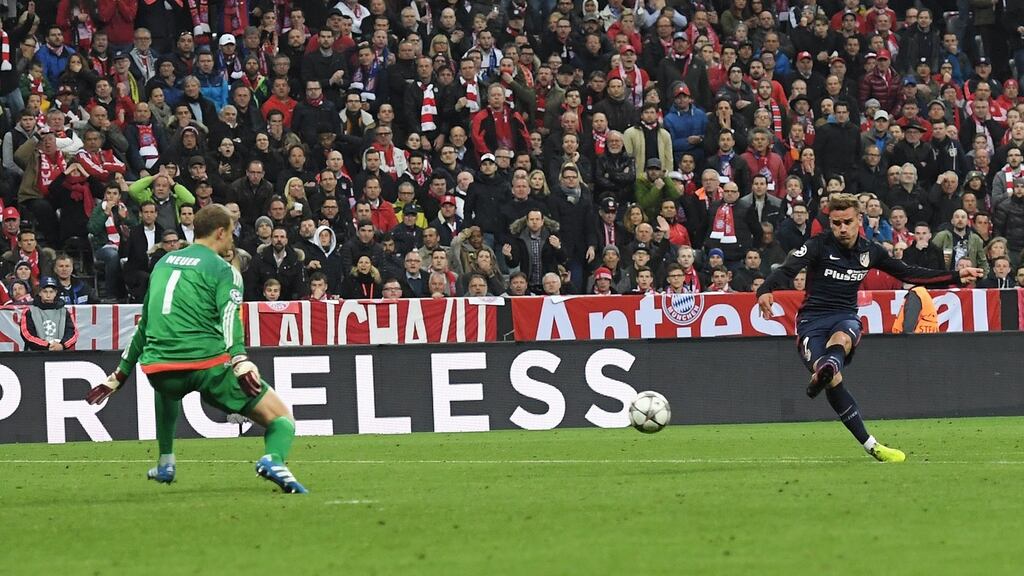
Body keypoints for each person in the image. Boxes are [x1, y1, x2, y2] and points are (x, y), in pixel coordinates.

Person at [85, 204, 307, 494]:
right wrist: (239, 359)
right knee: (281, 419)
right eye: (230, 234)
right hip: (207, 366)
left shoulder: (164, 262)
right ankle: (272, 459)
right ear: (220, 232)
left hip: (159, 368)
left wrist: (119, 374)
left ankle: (166, 461)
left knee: (168, 384)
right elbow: (230, 316)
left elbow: (146, 323)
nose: (231, 240)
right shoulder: (222, 269)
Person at [756, 193, 983, 462]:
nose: (841, 228)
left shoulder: (870, 251)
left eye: (847, 222)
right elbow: (788, 268)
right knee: (834, 379)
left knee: (844, 337)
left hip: (843, 316)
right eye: (836, 223)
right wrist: (766, 289)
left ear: (859, 220)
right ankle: (868, 439)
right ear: (831, 223)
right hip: (811, 323)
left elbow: (909, 273)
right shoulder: (818, 245)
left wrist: (955, 276)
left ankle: (828, 371)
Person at [20, 276, 79, 351]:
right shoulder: (29, 312)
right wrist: (48, 346)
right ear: (40, 292)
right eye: (45, 291)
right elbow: (27, 335)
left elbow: (73, 333)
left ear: (56, 293)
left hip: (60, 354)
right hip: (35, 355)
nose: (48, 295)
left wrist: (62, 345)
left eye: (51, 292)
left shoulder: (65, 312)